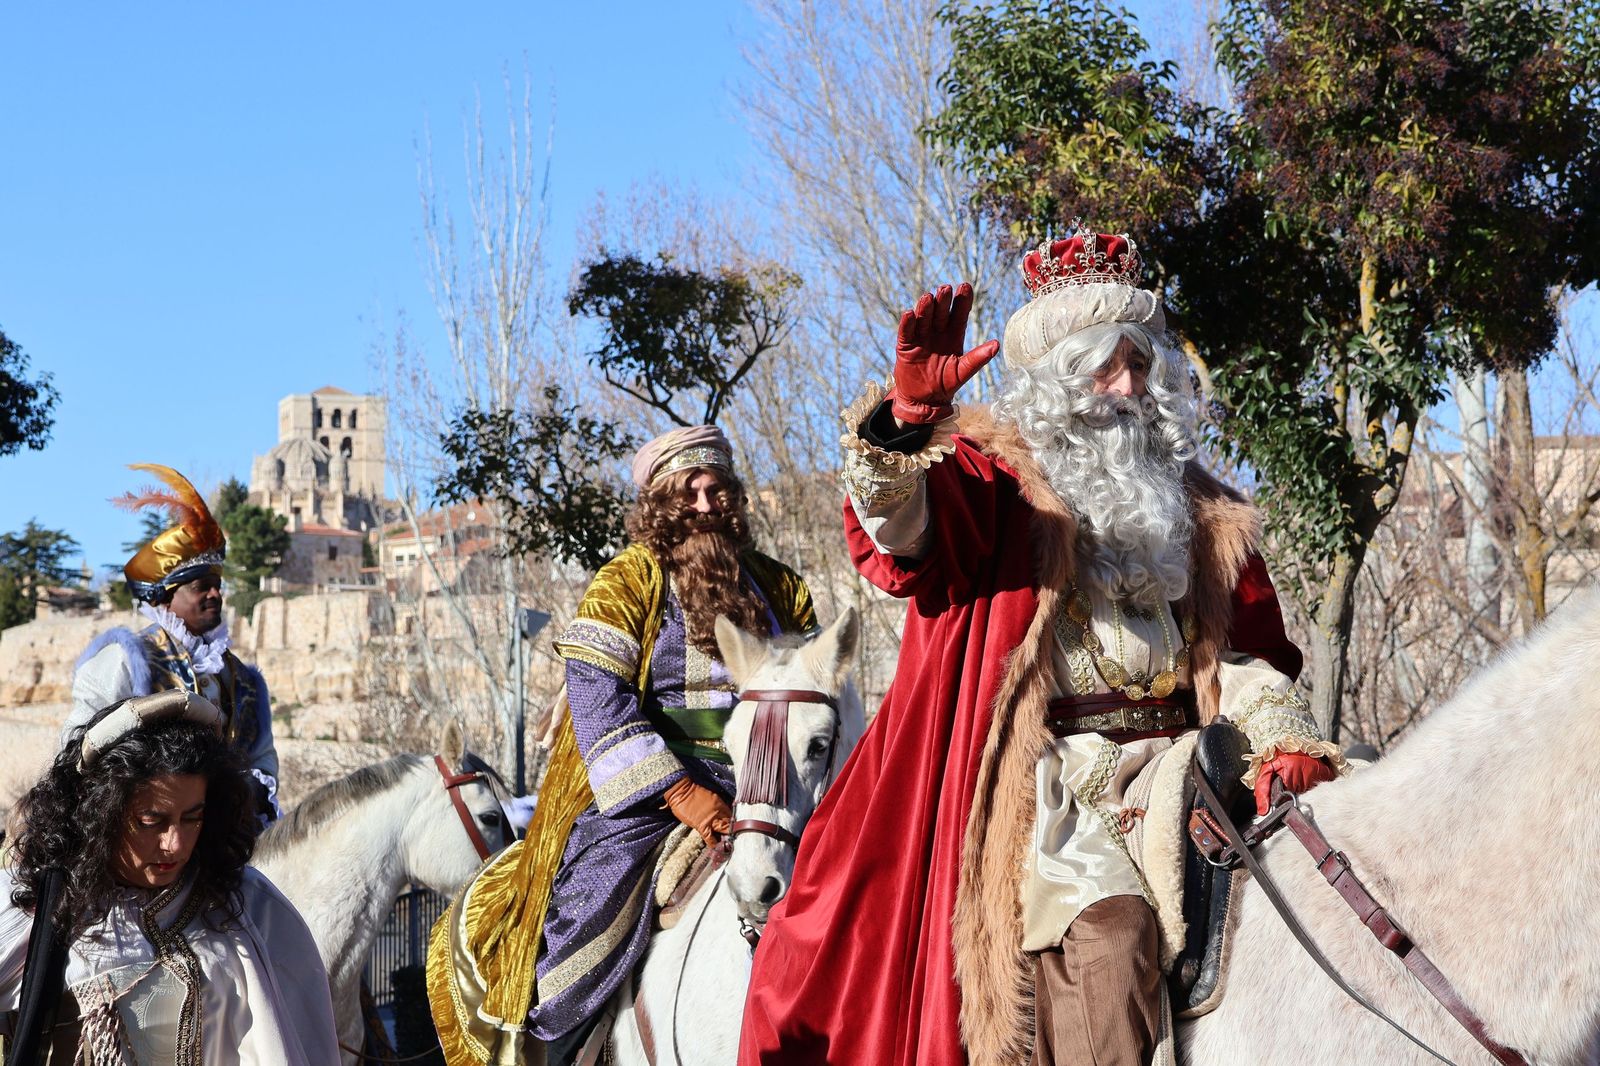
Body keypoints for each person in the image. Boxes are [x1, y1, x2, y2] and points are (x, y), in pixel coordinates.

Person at [739, 225, 1345, 1066]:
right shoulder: (999, 489)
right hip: (1060, 790)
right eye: (1105, 364)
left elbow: (1245, 656)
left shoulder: (1201, 507)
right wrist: (909, 423)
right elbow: (903, 537)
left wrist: (1282, 732)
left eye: (1140, 363)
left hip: (1185, 768)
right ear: (1059, 382)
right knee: (1114, 937)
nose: (1127, 386)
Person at [429, 426, 818, 1066]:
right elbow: (595, 697)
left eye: (716, 488)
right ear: (660, 502)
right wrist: (682, 791)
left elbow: (812, 691)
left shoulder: (782, 589)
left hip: (777, 789)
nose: (704, 503)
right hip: (650, 799)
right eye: (687, 490)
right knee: (586, 931)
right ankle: (556, 1050)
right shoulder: (626, 581)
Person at [0, 690, 340, 1064]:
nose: (175, 845)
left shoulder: (253, 907)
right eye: (152, 821)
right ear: (101, 813)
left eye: (192, 818)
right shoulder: (34, 904)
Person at [68, 465, 280, 824]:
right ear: (166, 599)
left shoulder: (243, 680)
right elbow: (78, 751)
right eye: (201, 587)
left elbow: (263, 758)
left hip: (226, 844)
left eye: (217, 585)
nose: (215, 594)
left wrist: (252, 790)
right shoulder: (126, 661)